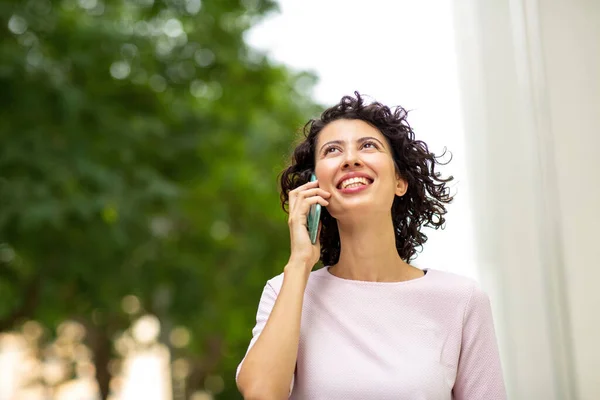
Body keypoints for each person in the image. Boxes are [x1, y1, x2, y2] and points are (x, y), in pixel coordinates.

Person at [235, 92, 506, 400]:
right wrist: (299, 262)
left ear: (400, 181)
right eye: (332, 150)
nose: (350, 159)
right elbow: (260, 393)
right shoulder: (286, 290)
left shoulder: (462, 300)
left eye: (368, 145)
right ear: (315, 187)